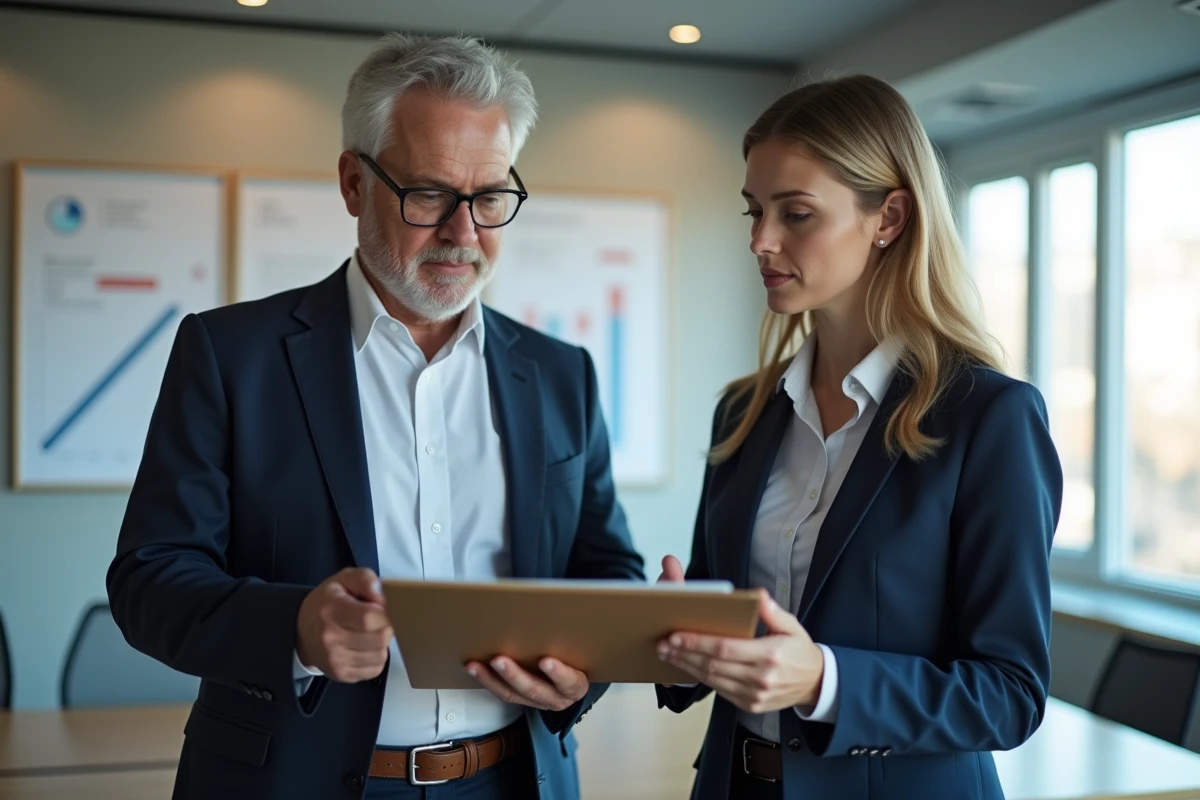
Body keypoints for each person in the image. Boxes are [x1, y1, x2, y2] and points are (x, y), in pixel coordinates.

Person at [107, 33, 644, 800]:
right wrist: (294, 626)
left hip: (512, 780)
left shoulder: (562, 375)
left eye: (490, 197)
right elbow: (149, 581)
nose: (464, 233)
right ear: (354, 184)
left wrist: (581, 677)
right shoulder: (232, 355)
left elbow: (607, 571)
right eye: (429, 194)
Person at [653, 74, 1062, 800]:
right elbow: (729, 633)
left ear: (890, 217)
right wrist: (681, 641)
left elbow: (1010, 692)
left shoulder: (989, 418)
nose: (760, 241)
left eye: (796, 213)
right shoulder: (743, 414)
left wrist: (825, 679)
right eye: (754, 211)